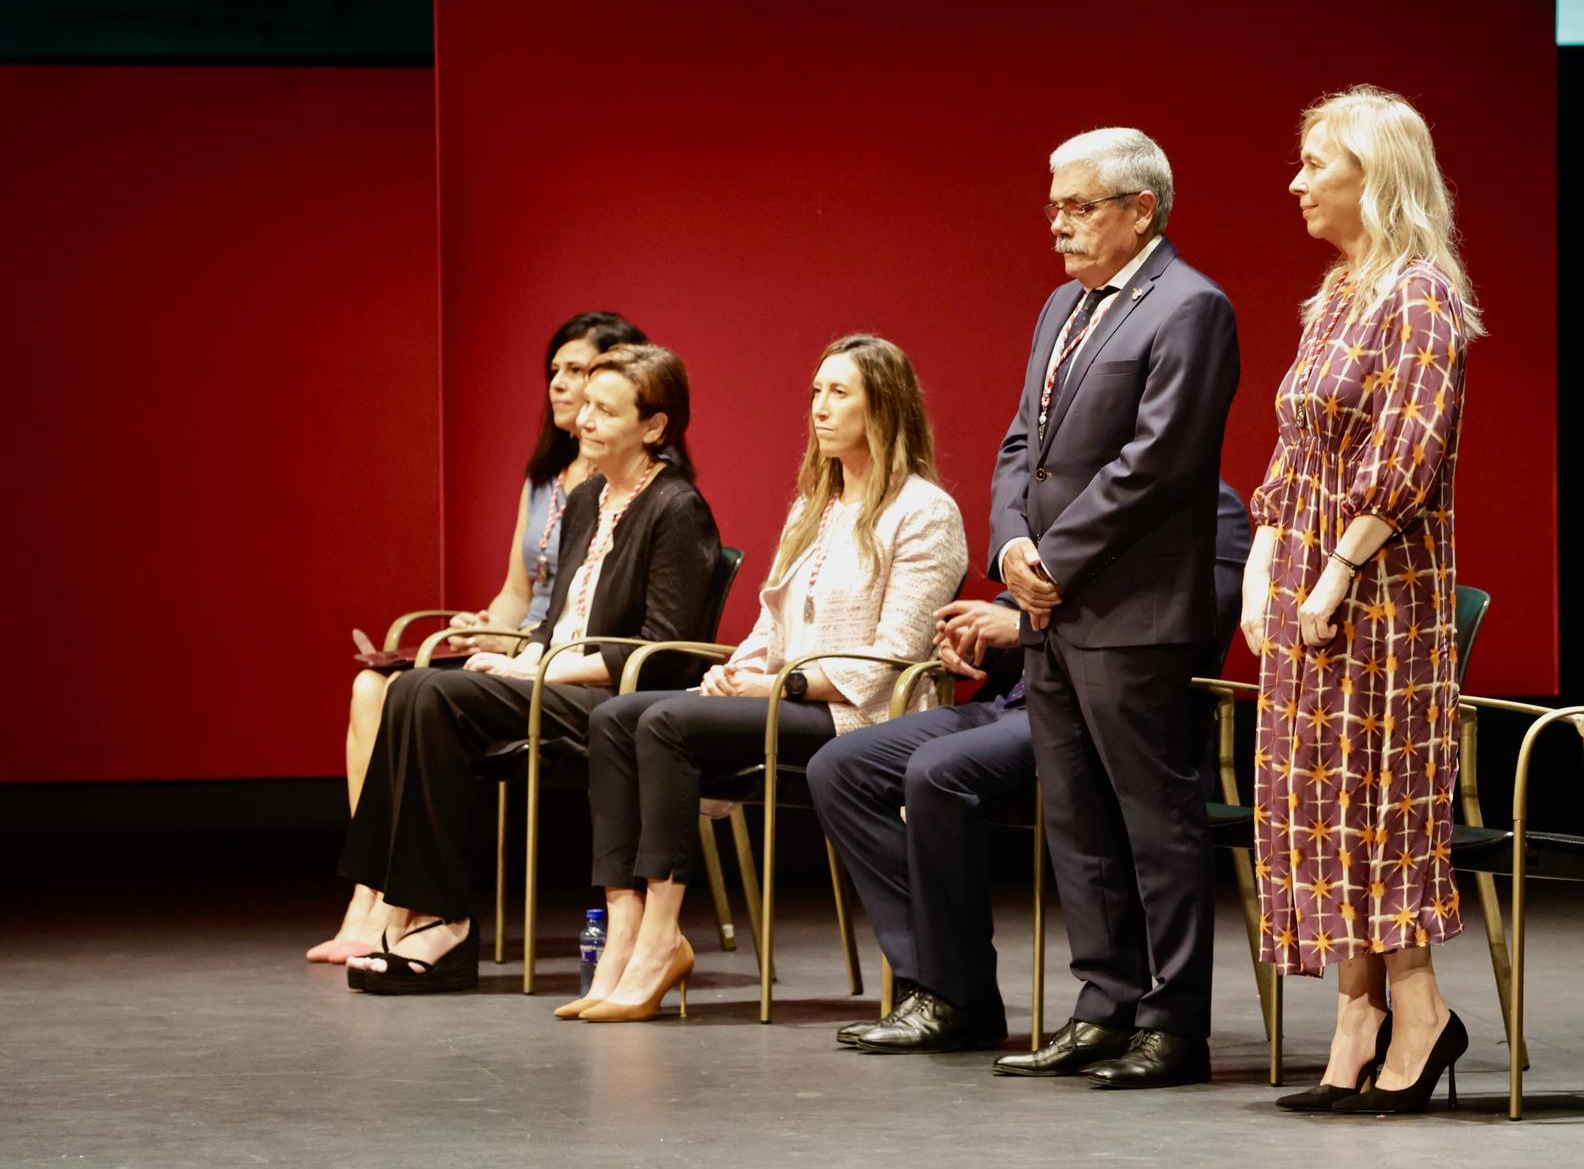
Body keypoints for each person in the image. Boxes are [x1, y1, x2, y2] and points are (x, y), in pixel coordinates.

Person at [568, 334, 967, 1023]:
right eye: (816, 391)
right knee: (615, 715)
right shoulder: (815, 505)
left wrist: (780, 688)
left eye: (839, 392)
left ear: (884, 405)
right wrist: (737, 671)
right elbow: (771, 628)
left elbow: (895, 658)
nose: (819, 407)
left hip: (858, 720)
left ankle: (662, 938)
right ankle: (625, 926)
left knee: (664, 722)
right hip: (789, 702)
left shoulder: (924, 511)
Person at [809, 482, 1250, 1055]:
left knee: (938, 770)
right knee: (840, 767)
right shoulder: (1079, 491)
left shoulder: (1210, 504)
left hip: (1106, 716)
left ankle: (955, 998)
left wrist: (1022, 628)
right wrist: (979, 632)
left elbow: (1188, 634)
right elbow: (1030, 594)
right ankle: (936, 983)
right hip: (1016, 702)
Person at [1243, 85, 1484, 1113]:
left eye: (1314, 163)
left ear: (1372, 175)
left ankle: (1415, 1012)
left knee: (1375, 797)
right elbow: (1295, 445)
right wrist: (1263, 557)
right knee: (1319, 801)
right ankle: (1354, 1017)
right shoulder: (1338, 294)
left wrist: (1337, 568)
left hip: (1380, 591)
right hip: (1304, 574)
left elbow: (1408, 454)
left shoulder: (1417, 295)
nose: (1295, 181)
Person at [339, 343, 720, 993]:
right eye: (587, 408)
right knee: (409, 689)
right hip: (553, 678)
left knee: (433, 696)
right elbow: (554, 622)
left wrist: (539, 673)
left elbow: (663, 650)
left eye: (605, 410)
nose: (584, 421)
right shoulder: (587, 496)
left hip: (614, 703)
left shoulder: (677, 508)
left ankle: (443, 925)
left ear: (654, 426)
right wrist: (516, 656)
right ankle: (399, 907)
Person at [986, 128, 1240, 1089]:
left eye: (1079, 206)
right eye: (1054, 205)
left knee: (1154, 821)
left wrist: (1055, 555)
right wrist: (1013, 545)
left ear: (1141, 209)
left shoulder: (1191, 307)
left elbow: (1161, 461)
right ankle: (1105, 1005)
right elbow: (1025, 443)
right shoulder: (1062, 305)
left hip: (1133, 609)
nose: (1057, 224)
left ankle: (1172, 1024)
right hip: (1052, 604)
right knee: (1078, 820)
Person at [309, 311, 647, 963]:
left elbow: (597, 617)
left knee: (417, 694)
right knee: (369, 687)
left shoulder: (627, 490)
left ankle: (405, 902)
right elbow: (518, 593)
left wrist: (518, 648)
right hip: (522, 645)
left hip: (562, 667)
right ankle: (371, 893)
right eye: (554, 370)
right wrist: (482, 625)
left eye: (577, 371)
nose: (558, 384)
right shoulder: (545, 479)